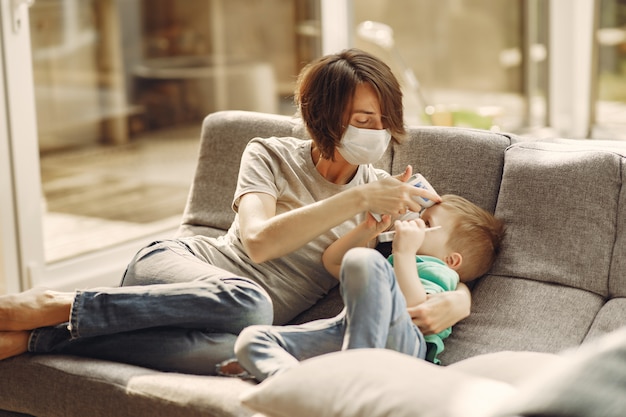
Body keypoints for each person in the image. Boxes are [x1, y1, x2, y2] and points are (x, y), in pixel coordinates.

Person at [0, 48, 469, 375]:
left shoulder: (384, 196)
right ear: (324, 115)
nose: (379, 132)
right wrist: (356, 200)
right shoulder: (269, 154)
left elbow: (451, 245)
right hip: (180, 270)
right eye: (365, 120)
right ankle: (61, 304)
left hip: (232, 321)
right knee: (252, 303)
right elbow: (258, 241)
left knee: (242, 348)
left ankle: (43, 339)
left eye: (385, 121)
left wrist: (457, 301)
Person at [234, 194, 505, 381]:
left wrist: (404, 253)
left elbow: (413, 307)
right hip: (352, 329)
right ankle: (293, 385)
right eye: (421, 215)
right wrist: (368, 229)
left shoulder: (441, 273)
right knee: (252, 339)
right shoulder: (391, 261)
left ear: (452, 259)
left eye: (427, 223)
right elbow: (333, 262)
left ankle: (354, 383)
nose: (416, 222)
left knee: (363, 259)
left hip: (404, 342)